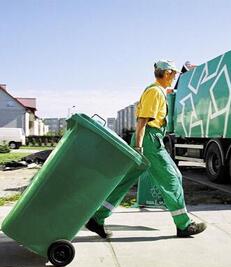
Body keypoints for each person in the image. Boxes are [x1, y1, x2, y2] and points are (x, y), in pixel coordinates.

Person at [86, 60, 206, 238]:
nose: (174, 77)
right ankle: (184, 225)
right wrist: (139, 147)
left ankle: (97, 218)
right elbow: (142, 121)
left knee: (125, 181)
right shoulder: (154, 92)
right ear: (166, 73)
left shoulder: (158, 91)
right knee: (172, 178)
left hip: (148, 139)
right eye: (173, 73)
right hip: (148, 140)